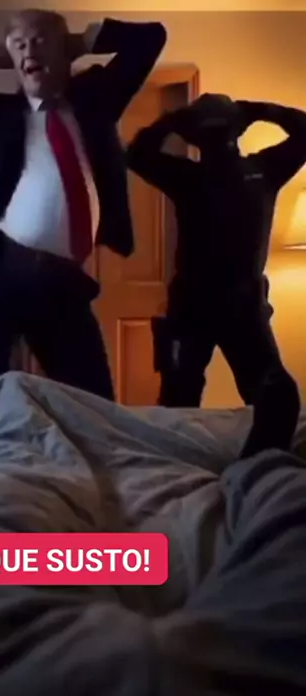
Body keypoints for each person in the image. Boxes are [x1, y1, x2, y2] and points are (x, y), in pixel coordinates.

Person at [0, 10, 167, 399]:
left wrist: (81, 42)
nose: (29, 51)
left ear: (64, 51)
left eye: (41, 41)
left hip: (63, 281)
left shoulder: (96, 100)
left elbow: (150, 39)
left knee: (93, 404)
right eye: (19, 44)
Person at [126, 94, 305, 455]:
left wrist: (177, 119)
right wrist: (256, 111)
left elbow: (137, 153)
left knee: (248, 394)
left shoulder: (205, 175)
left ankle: (250, 464)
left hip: (225, 307)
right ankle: (253, 465)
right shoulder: (257, 171)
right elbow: (136, 155)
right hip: (211, 308)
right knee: (197, 397)